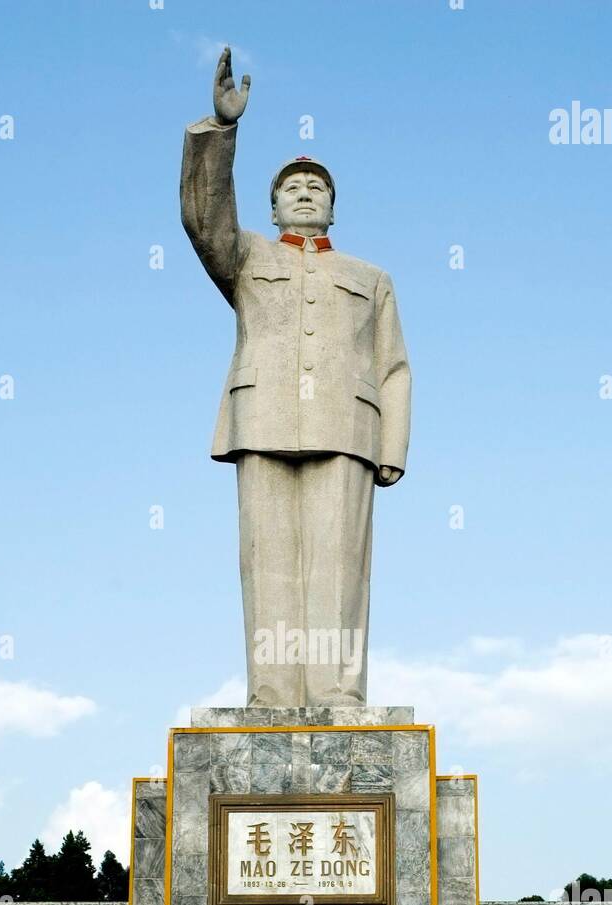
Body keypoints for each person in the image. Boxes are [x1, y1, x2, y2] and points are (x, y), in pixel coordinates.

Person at [180, 48, 411, 707]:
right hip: (265, 418)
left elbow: (394, 366)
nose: (305, 195)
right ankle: (274, 690)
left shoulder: (372, 279)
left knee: (340, 567)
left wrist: (391, 448)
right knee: (270, 562)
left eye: (318, 190)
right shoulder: (246, 255)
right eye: (292, 189)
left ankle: (339, 690)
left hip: (347, 427)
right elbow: (204, 218)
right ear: (274, 207)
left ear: (333, 210)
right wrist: (220, 134)